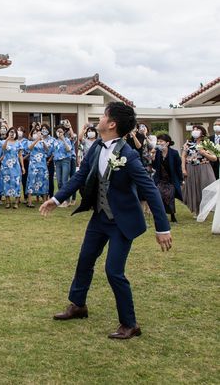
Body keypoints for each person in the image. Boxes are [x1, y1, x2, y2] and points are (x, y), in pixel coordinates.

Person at [40, 102, 172, 340]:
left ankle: (130, 324)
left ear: (112, 124)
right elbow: (80, 176)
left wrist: (162, 228)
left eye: (103, 116)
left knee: (113, 271)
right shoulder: (96, 147)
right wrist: (56, 199)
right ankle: (78, 305)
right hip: (99, 218)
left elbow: (150, 190)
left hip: (122, 222)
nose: (98, 119)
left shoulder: (128, 155)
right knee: (85, 260)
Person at [181, 125, 217, 216]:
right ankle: (197, 210)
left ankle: (206, 208)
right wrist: (183, 169)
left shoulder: (207, 143)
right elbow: (183, 156)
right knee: (194, 188)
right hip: (191, 168)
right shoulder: (188, 143)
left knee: (205, 187)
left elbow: (214, 158)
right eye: (193, 129)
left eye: (197, 129)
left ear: (202, 132)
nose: (194, 131)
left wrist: (204, 153)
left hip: (204, 168)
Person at [152, 135, 183, 224]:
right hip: (160, 179)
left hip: (171, 179)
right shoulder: (157, 152)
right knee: (159, 196)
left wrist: (181, 180)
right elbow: (155, 166)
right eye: (158, 141)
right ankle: (162, 215)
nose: (159, 143)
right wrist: (153, 156)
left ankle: (172, 215)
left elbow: (178, 167)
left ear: (167, 143)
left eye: (161, 141)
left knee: (170, 196)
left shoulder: (174, 153)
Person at [25, 125, 53, 206]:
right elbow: (29, 148)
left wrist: (42, 141)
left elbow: (48, 150)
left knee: (43, 181)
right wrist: (36, 140)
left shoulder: (42, 141)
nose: (36, 134)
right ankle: (30, 202)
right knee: (31, 181)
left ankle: (44, 201)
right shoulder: (30, 142)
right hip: (33, 164)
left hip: (42, 164)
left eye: (37, 133)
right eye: (34, 133)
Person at [0, 127, 24, 209]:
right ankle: (8, 202)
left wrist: (23, 167)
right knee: (6, 183)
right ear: (8, 133)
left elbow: (20, 155)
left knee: (16, 182)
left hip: (15, 166)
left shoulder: (18, 143)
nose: (12, 134)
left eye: (14, 132)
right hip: (5, 166)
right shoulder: (3, 141)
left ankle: (16, 202)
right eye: (10, 132)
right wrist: (7, 139)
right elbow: (3, 149)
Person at [52, 125, 73, 207]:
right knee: (59, 182)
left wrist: (63, 139)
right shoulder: (55, 141)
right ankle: (60, 199)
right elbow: (51, 151)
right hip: (57, 162)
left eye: (61, 131)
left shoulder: (67, 140)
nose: (59, 133)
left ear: (63, 132)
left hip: (65, 161)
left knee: (65, 181)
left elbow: (68, 149)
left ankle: (67, 200)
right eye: (58, 131)